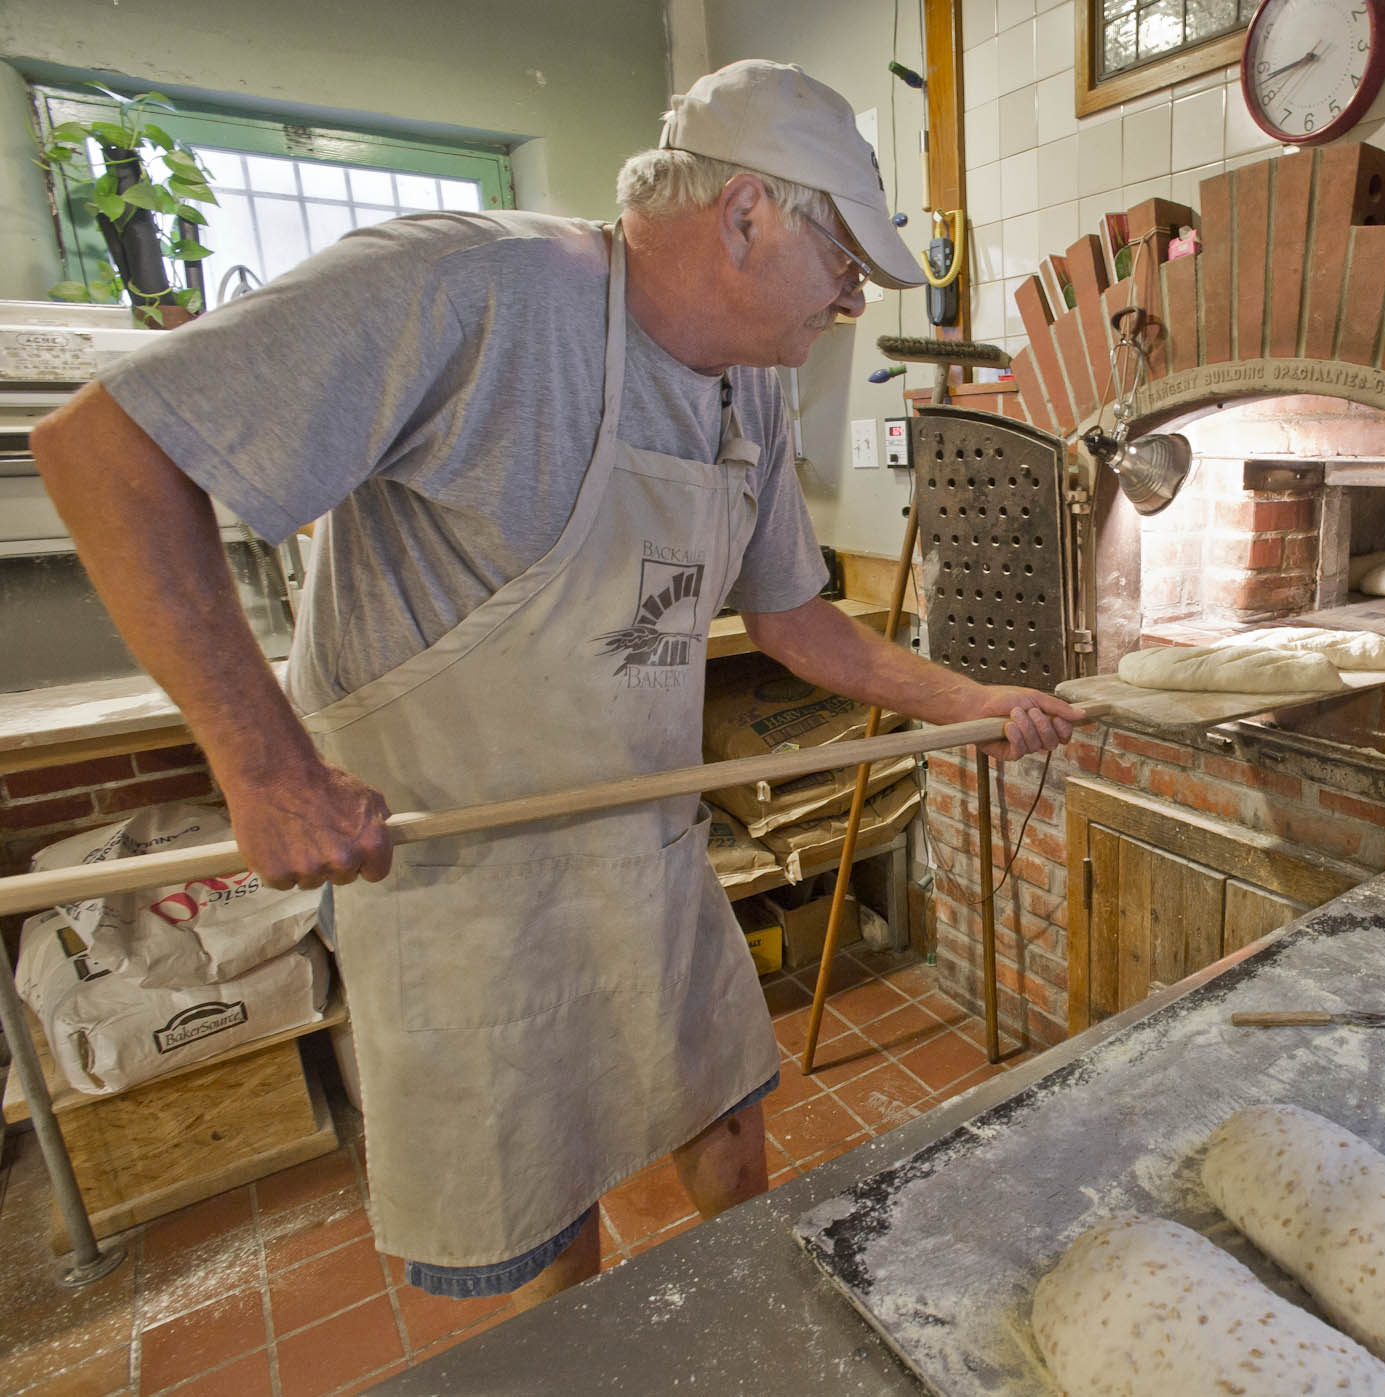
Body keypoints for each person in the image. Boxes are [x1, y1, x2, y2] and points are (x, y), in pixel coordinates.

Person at [29, 59, 1085, 1308]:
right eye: (845, 262)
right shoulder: (470, 288)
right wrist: (266, 766)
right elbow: (103, 447)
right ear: (746, 214)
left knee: (731, 1129)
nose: (854, 301)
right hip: (463, 881)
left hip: (642, 838)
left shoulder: (754, 374)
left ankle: (761, 1330)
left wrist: (965, 700)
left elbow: (795, 618)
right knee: (546, 1229)